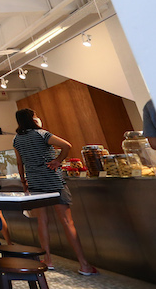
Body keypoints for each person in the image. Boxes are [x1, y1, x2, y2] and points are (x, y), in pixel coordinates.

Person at [13, 108, 97, 275]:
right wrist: (58, 160)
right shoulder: (42, 134)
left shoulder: (17, 140)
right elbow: (67, 146)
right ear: (32, 118)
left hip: (35, 183)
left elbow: (19, 163)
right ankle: (84, 264)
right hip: (53, 181)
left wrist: (24, 183)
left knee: (42, 222)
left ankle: (48, 260)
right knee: (67, 222)